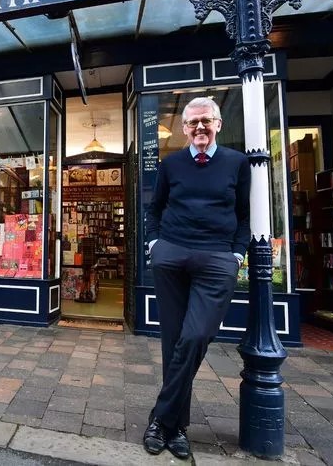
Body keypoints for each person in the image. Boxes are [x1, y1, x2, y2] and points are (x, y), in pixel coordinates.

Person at [143, 97, 251, 459]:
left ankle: (160, 416)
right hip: (171, 254)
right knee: (174, 341)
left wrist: (237, 254)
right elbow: (154, 208)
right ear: (184, 129)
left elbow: (244, 214)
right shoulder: (171, 164)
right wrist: (156, 244)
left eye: (206, 120)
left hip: (218, 257)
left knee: (196, 336)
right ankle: (177, 428)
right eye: (192, 123)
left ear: (218, 124)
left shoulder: (237, 163)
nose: (199, 127)